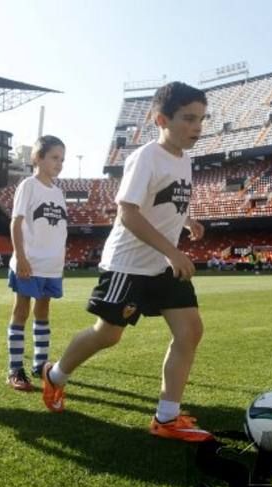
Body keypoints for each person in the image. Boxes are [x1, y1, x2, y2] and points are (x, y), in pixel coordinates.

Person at [41, 82, 213, 442]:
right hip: (129, 264)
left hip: (164, 265)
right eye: (188, 119)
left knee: (190, 330)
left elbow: (164, 201)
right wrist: (172, 249)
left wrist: (187, 220)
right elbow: (128, 213)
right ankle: (55, 375)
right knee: (108, 335)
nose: (197, 127)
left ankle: (166, 417)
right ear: (161, 119)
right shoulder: (145, 157)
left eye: (201, 119)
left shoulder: (185, 160)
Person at [5, 135, 68, 391]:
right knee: (21, 311)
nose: (59, 163)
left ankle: (40, 364)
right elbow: (16, 222)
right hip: (29, 262)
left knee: (43, 313)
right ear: (37, 158)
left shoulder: (58, 191)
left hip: (52, 266)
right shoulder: (28, 185)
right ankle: (15, 368)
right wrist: (20, 256)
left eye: (62, 159)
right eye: (54, 157)